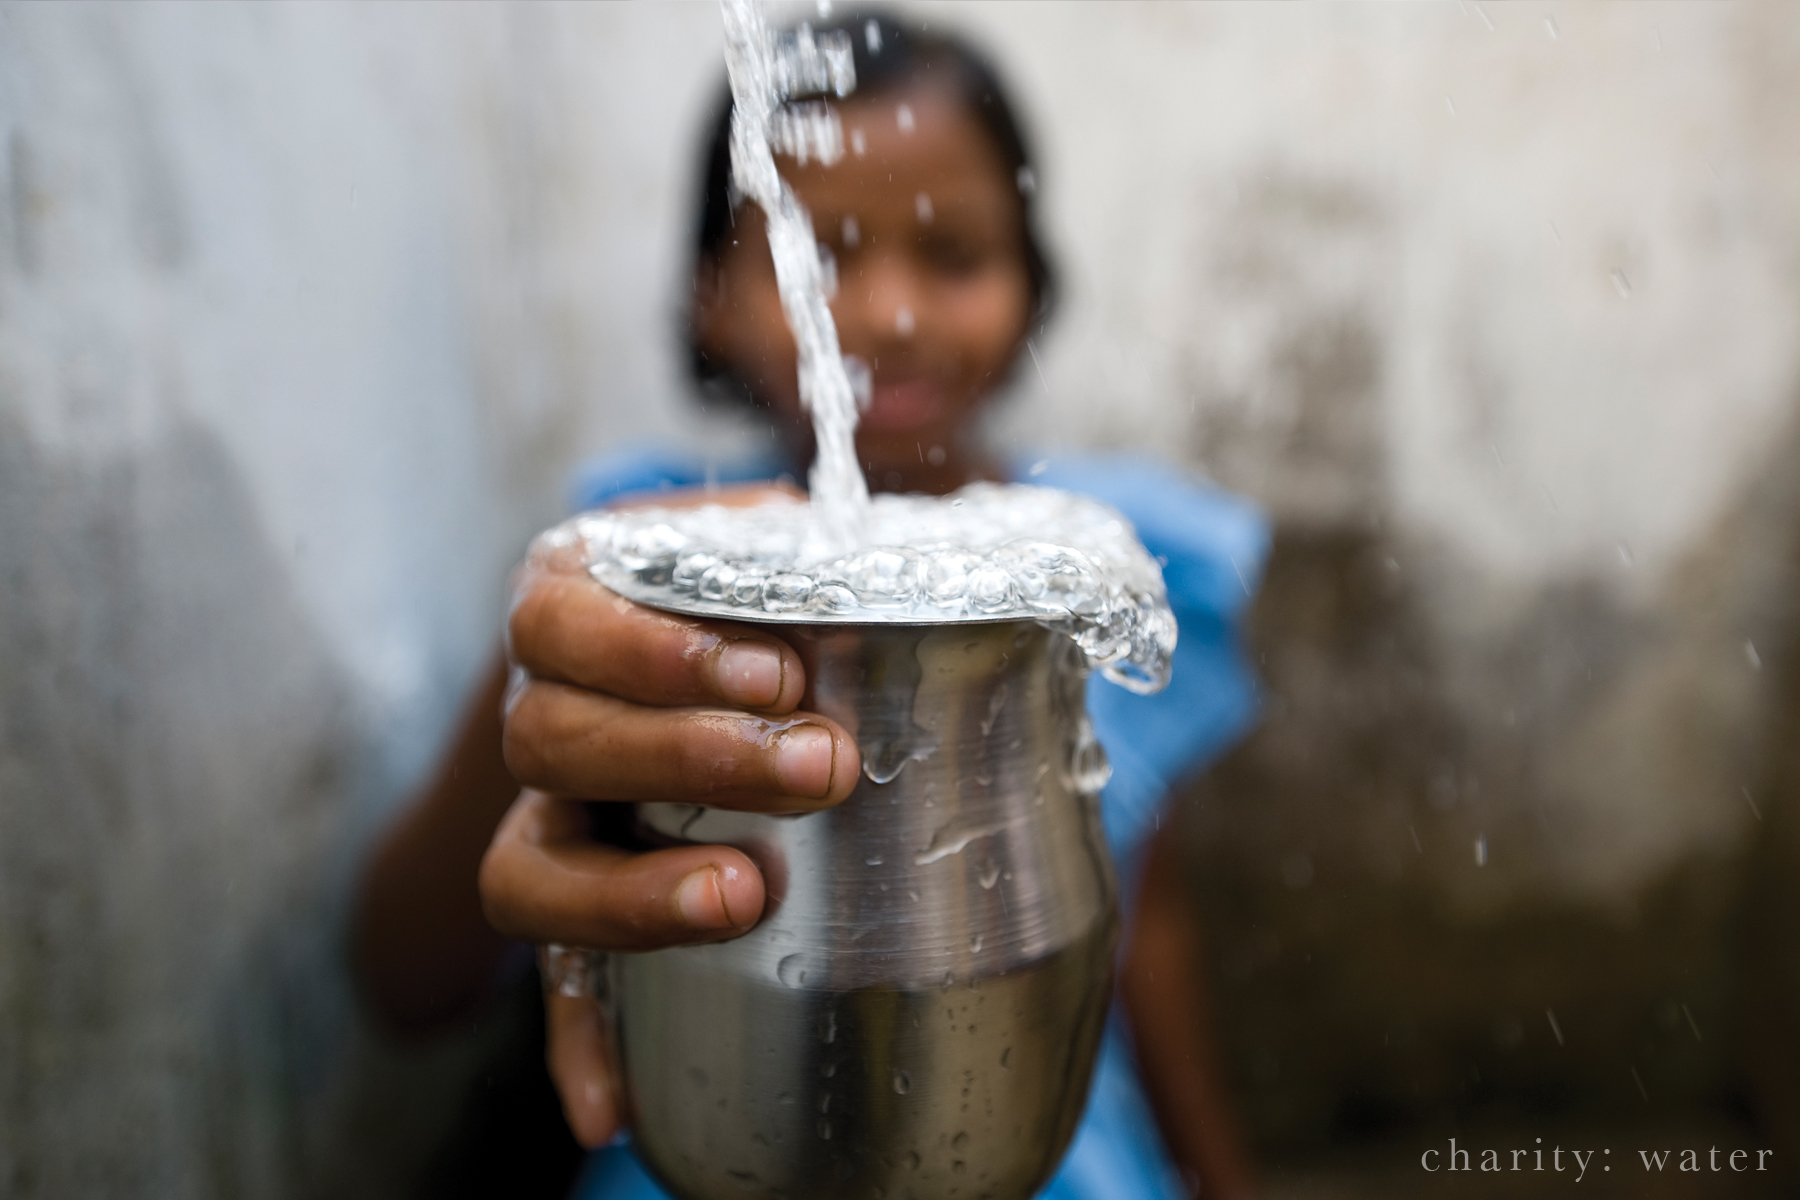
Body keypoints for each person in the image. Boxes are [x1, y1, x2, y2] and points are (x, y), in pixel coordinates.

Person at [353, 12, 1265, 1199]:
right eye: (815, 254)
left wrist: (1224, 1181)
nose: (885, 312)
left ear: (1033, 283)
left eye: (954, 256)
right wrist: (541, 695)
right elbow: (404, 980)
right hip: (708, 1140)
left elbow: (1148, 921)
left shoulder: (1103, 565)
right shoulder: (634, 560)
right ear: (711, 295)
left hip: (1042, 1142)